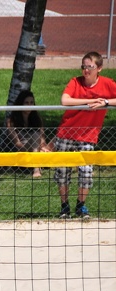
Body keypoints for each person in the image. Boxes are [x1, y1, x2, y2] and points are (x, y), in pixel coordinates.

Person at [54, 51, 116, 219]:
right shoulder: (75, 82)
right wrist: (89, 102)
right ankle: (64, 206)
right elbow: (65, 100)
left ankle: (80, 205)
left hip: (88, 135)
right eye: (84, 66)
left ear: (99, 68)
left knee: (86, 172)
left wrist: (105, 102)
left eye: (90, 67)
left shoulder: (107, 84)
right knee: (62, 172)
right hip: (66, 132)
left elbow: (111, 99)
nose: (86, 70)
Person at [5, 89, 51, 178]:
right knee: (35, 134)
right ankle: (36, 169)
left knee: (58, 137)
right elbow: (17, 143)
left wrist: (43, 148)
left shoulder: (37, 118)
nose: (29, 105)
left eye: (31, 102)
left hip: (37, 148)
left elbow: (42, 140)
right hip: (22, 150)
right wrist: (33, 150)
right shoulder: (11, 121)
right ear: (20, 104)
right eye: (26, 103)